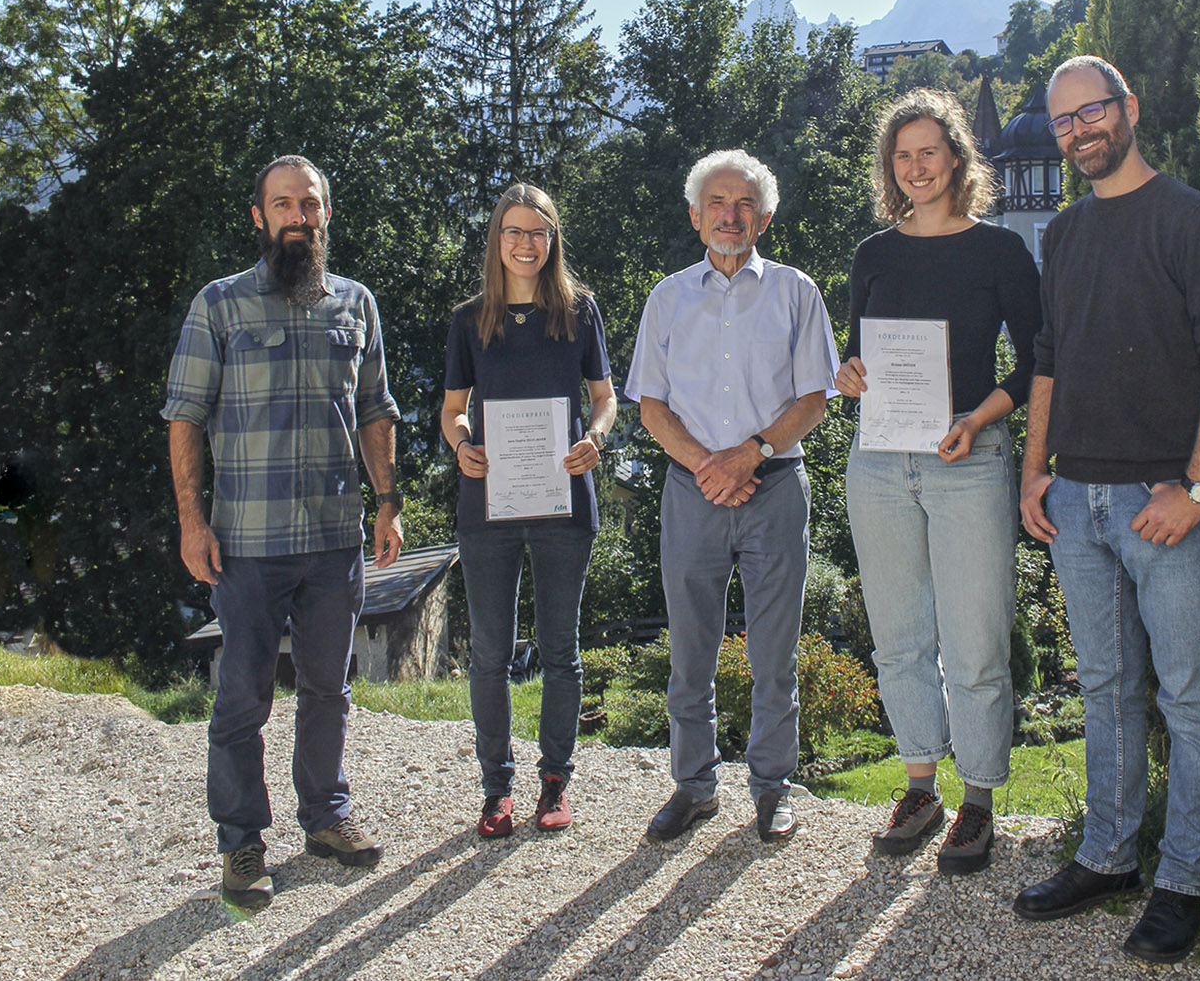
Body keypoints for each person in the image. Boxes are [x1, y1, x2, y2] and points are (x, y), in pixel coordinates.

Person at [1011, 56, 1200, 963]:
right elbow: (1047, 356)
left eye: (1093, 112)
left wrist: (1194, 488)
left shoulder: (1192, 220)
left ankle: (1184, 880)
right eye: (1064, 121)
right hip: (1076, 501)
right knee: (1108, 690)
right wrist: (1033, 473)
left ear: (1130, 110)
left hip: (1166, 505)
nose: (1079, 131)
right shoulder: (1065, 234)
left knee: (1190, 695)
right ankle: (1108, 856)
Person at [163, 154, 403, 912]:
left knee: (329, 687)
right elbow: (184, 416)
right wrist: (191, 519)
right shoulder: (220, 305)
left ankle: (326, 816)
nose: (299, 215)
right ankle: (241, 839)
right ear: (259, 217)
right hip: (248, 542)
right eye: (284, 204)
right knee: (243, 693)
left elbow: (375, 411)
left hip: (335, 538)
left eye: (311, 203)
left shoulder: (356, 304)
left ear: (326, 214)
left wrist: (390, 502)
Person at [835, 88, 1041, 874]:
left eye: (930, 151)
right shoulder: (873, 254)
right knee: (899, 638)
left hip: (967, 457)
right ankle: (920, 786)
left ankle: (979, 800)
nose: (916, 167)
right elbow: (860, 357)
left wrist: (981, 415)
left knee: (977, 638)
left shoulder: (999, 253)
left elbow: (1033, 360)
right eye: (902, 155)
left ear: (957, 157)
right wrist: (848, 375)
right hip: (880, 461)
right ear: (892, 168)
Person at [625, 149, 839, 845]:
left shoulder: (796, 291)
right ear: (695, 216)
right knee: (691, 650)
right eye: (717, 202)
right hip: (692, 493)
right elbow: (650, 405)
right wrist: (707, 466)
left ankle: (773, 788)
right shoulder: (667, 297)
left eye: (744, 203)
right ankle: (693, 786)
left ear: (765, 218)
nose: (730, 214)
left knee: (774, 651)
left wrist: (751, 453)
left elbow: (815, 400)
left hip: (775, 488)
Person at [440, 183, 616, 839]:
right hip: (488, 502)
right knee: (489, 651)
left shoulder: (579, 311)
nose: (525, 243)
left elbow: (605, 397)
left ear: (552, 240)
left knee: (561, 649)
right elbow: (452, 407)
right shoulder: (470, 319)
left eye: (538, 232)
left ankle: (555, 783)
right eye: (514, 231)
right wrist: (462, 444)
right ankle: (496, 790)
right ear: (497, 239)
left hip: (564, 500)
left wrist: (595, 437)